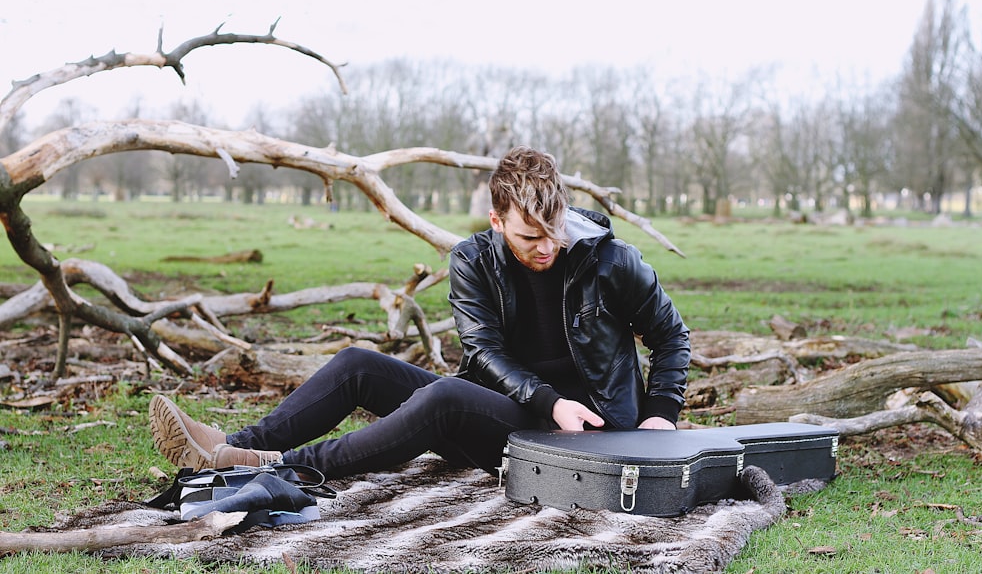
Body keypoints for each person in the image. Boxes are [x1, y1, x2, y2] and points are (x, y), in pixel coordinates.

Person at [149, 146, 691, 479]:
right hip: (510, 415)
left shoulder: (614, 262)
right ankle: (234, 448)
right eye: (530, 236)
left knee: (443, 397)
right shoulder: (473, 260)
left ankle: (288, 468)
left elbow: (671, 338)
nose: (547, 246)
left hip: (590, 431)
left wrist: (660, 415)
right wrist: (548, 401)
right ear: (496, 219)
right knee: (358, 363)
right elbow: (483, 352)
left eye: (555, 231)